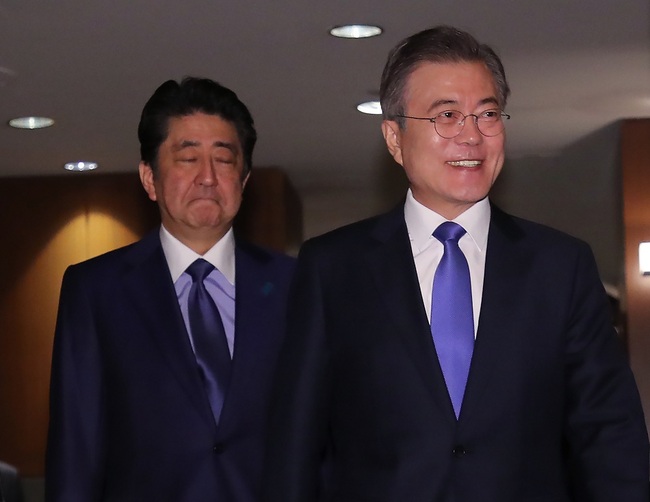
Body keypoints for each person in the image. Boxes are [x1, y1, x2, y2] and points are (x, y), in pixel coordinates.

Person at [264, 26, 649, 501]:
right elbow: (293, 449)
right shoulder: (333, 269)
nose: (471, 135)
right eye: (446, 115)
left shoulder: (560, 267)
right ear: (394, 137)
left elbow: (610, 436)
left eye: (487, 114)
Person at [46, 77, 295, 501]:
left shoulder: (298, 286)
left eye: (224, 159)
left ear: (245, 179)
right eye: (187, 158)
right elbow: (77, 444)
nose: (207, 177)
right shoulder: (96, 291)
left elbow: (327, 437)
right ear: (149, 178)